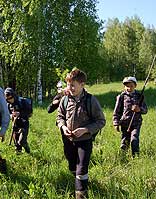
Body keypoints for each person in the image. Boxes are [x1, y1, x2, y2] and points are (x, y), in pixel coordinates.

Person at [56, 68, 106, 199]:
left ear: (82, 84)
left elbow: (101, 121)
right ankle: (81, 179)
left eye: (73, 85)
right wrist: (63, 127)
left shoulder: (91, 100)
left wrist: (85, 130)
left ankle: (81, 193)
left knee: (82, 167)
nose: (69, 88)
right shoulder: (65, 100)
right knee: (72, 165)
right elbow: (59, 117)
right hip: (68, 140)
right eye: (68, 84)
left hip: (85, 140)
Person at [112, 76, 148, 157]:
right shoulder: (121, 97)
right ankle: (122, 157)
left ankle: (135, 157)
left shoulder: (140, 96)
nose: (129, 88)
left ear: (135, 86)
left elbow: (145, 110)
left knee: (134, 139)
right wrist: (116, 123)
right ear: (124, 86)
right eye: (127, 86)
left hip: (136, 122)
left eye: (131, 86)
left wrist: (139, 109)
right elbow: (116, 111)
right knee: (125, 141)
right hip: (125, 123)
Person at [4, 88, 31, 154]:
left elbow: (30, 112)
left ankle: (26, 147)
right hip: (15, 124)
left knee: (21, 141)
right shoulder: (8, 105)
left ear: (13, 95)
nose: (9, 100)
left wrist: (20, 114)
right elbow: (8, 113)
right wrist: (11, 116)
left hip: (24, 123)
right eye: (7, 99)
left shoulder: (22, 101)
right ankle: (19, 155)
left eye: (10, 98)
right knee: (16, 142)